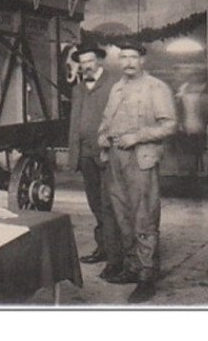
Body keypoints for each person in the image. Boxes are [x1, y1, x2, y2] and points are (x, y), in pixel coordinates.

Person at [97, 40, 177, 303]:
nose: (128, 62)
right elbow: (107, 120)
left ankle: (147, 275)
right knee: (122, 216)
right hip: (116, 159)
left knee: (144, 217)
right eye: (123, 58)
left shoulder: (156, 88)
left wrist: (138, 137)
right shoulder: (117, 88)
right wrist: (103, 136)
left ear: (143, 60)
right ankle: (131, 268)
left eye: (133, 57)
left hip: (140, 158)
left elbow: (169, 125)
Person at [67, 41, 118, 266]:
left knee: (111, 205)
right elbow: (74, 123)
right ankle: (103, 247)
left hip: (107, 155)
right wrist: (73, 154)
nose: (86, 65)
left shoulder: (113, 85)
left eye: (90, 61)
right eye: (82, 62)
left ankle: (117, 253)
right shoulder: (77, 89)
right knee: (95, 203)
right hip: (86, 154)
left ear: (98, 61)